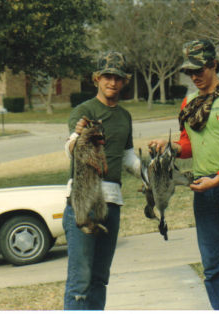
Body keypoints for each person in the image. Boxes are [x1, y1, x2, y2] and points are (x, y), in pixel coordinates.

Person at [149, 39, 219, 310]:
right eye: (189, 72)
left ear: (213, 65)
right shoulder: (189, 102)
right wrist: (168, 146)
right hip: (203, 189)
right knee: (212, 266)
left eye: (199, 70)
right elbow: (187, 145)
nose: (194, 77)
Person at [63, 51, 140, 310]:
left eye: (118, 77)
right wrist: (78, 138)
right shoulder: (84, 110)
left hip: (112, 203)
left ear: (124, 81)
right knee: (80, 281)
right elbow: (72, 145)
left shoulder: (125, 116)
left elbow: (128, 157)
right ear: (96, 78)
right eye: (107, 76)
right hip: (84, 202)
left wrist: (152, 175)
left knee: (99, 279)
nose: (112, 82)